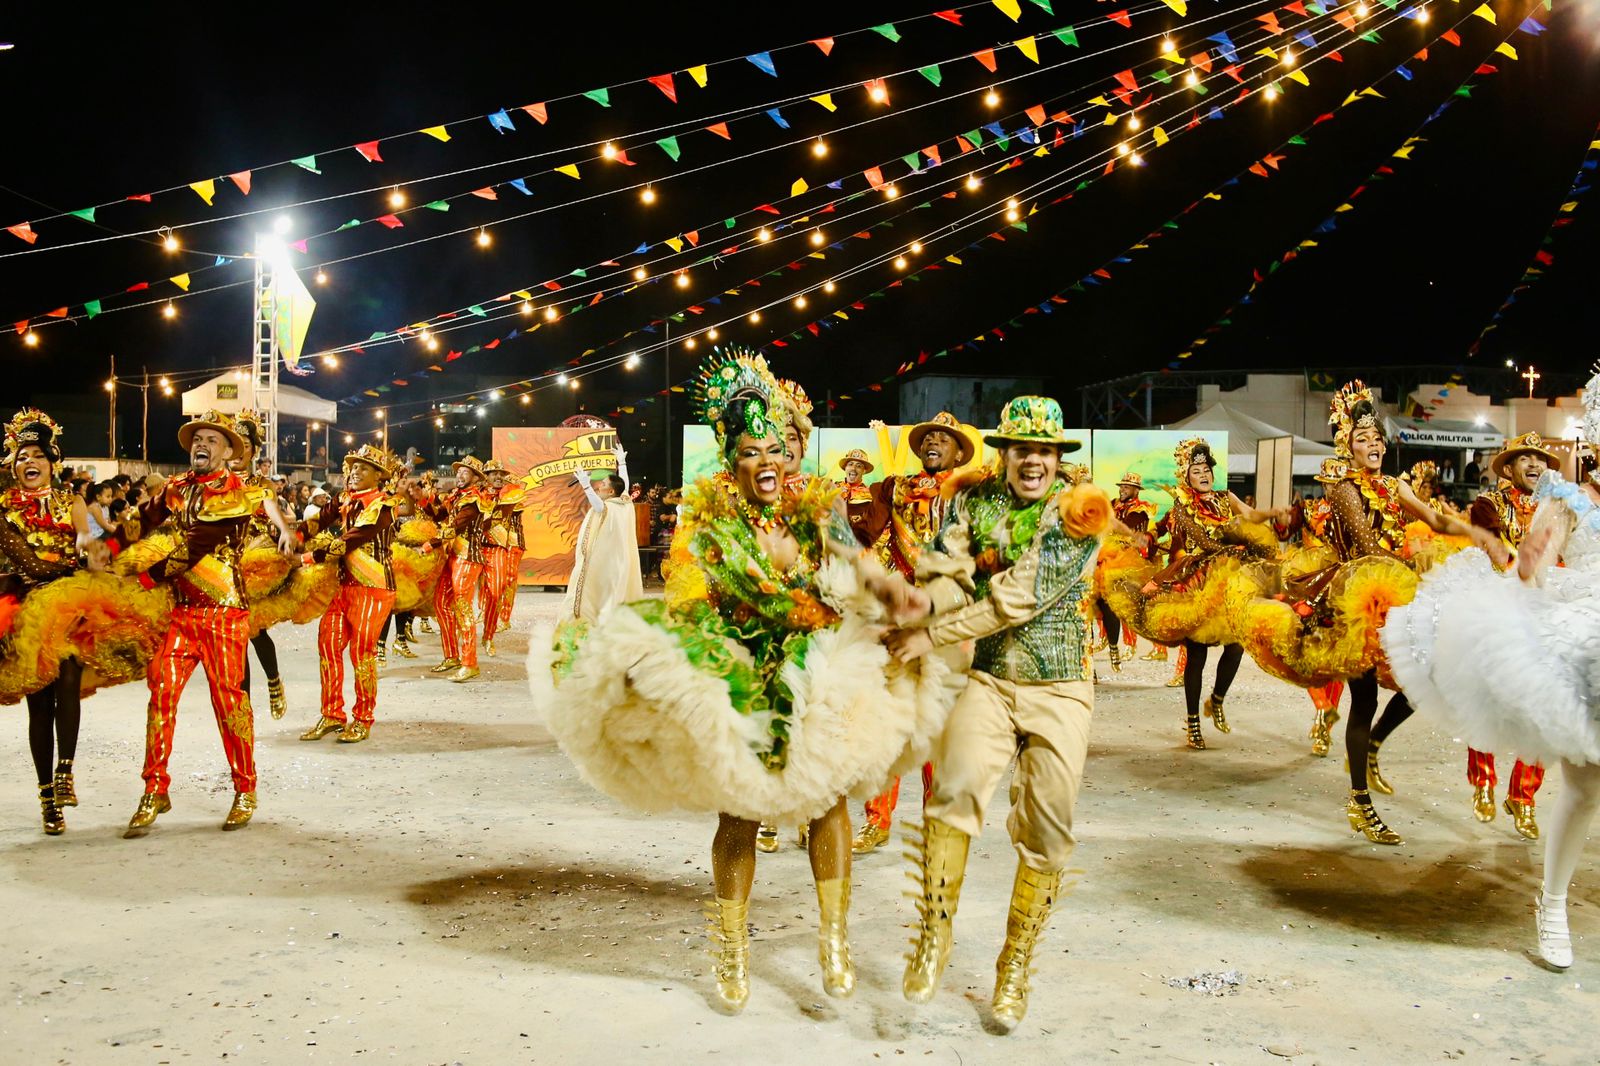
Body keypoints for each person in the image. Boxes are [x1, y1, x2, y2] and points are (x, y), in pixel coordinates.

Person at [532, 349, 955, 1012]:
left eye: (780, 447)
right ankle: (731, 951)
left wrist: (886, 599)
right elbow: (692, 590)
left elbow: (853, 566)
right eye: (753, 449)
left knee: (827, 801)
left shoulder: (818, 506)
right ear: (733, 457)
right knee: (739, 810)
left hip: (815, 670)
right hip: (741, 672)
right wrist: (747, 605)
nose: (769, 461)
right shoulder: (708, 517)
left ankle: (833, 939)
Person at [874, 395, 1110, 1033]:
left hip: (1061, 689)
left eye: (1045, 450)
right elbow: (952, 575)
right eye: (1022, 448)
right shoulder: (973, 502)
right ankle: (934, 938)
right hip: (989, 679)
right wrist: (918, 602)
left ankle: (1015, 964)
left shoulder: (1081, 513)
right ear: (1005, 453)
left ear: (1058, 458)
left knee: (1048, 830)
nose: (1033, 460)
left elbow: (1016, 598)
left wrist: (931, 635)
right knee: (952, 795)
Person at [1383, 368, 1600, 968]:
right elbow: (1539, 554)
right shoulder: (1571, 497)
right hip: (1588, 639)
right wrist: (1535, 555)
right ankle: (1552, 903)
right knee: (1585, 788)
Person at [1238, 383, 1502, 843]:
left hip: (1395, 585)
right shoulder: (1342, 487)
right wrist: (1417, 579)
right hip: (1356, 595)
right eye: (1362, 439)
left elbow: (1437, 521)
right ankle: (1359, 801)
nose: (1373, 444)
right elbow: (1364, 546)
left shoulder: (1393, 484)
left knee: (1422, 682)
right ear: (1348, 446)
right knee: (1363, 699)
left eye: (1377, 437)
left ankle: (1374, 746)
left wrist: (1481, 539)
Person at [121, 412, 260, 836]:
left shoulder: (239, 494)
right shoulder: (177, 488)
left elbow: (195, 548)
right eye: (197, 438)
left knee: (228, 703)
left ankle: (245, 788)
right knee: (160, 695)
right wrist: (115, 538)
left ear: (227, 451)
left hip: (224, 612)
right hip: (180, 613)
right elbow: (144, 520)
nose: (202, 445)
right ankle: (154, 789)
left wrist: (144, 577)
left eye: (212, 441)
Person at [1105, 438, 1286, 750]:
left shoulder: (1223, 496)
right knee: (1198, 654)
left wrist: (1273, 512)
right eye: (1196, 469)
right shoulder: (1182, 504)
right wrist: (1236, 544)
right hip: (1197, 578)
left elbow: (1250, 514)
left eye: (1206, 469)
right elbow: (1204, 538)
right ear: (1186, 476)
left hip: (1229, 575)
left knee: (1235, 647)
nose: (1203, 474)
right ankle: (1192, 724)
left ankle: (1216, 700)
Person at [852, 412, 976, 855]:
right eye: (927, 438)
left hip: (948, 621)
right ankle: (877, 820)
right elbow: (865, 531)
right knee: (890, 720)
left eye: (943, 439)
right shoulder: (895, 488)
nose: (933, 444)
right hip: (901, 618)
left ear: (959, 451)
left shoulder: (972, 496)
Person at [0, 410, 103, 833]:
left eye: (39, 454)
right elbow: (27, 563)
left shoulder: (71, 502)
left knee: (68, 687)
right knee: (39, 707)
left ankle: (65, 773)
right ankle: (47, 798)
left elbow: (87, 538)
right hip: (25, 611)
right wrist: (70, 567)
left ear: (51, 461)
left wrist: (92, 547)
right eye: (23, 454)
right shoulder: (3, 507)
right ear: (12, 463)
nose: (31, 461)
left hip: (69, 606)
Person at [1462, 432, 1557, 839]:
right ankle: (1483, 782)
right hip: (1501, 612)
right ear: (1509, 467)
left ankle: (1524, 795)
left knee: (1546, 711)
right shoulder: (1488, 504)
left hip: (1546, 615)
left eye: (1539, 458)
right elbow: (1496, 552)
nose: (1534, 464)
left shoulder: (1556, 509)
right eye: (1525, 458)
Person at [299, 446, 403, 743]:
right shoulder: (344, 498)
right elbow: (318, 520)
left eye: (364, 468)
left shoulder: (383, 505)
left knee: (361, 653)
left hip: (374, 587)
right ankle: (332, 714)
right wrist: (290, 536)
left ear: (379, 476)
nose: (355, 472)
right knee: (328, 643)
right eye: (353, 467)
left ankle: (363, 717)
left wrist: (306, 558)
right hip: (344, 585)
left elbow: (350, 540)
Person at [559, 446, 642, 623]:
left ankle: (593, 627)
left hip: (606, 563)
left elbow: (598, 505)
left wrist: (585, 485)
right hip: (618, 562)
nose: (599, 486)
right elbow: (624, 484)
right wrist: (622, 462)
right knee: (611, 596)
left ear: (611, 492)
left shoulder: (610, 507)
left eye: (603, 485)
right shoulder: (624, 502)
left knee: (598, 595)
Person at [428, 457, 492, 682]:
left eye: (466, 472)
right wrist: (425, 500)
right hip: (452, 555)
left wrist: (431, 543)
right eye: (459, 471)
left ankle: (470, 662)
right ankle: (452, 655)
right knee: (440, 603)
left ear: (476, 478)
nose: (460, 475)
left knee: (463, 609)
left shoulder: (474, 500)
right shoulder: (457, 497)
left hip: (468, 557)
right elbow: (440, 517)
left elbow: (456, 526)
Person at [477, 459, 525, 657]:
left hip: (496, 549)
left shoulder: (511, 497)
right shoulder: (476, 495)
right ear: (485, 477)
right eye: (493, 473)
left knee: (496, 592)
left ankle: (488, 635)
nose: (498, 477)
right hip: (472, 548)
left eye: (501, 474)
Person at [837, 448, 889, 553]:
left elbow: (880, 528)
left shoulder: (871, 495)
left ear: (864, 471)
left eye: (859, 466)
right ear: (845, 468)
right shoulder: (832, 490)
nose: (853, 468)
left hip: (860, 551)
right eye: (850, 464)